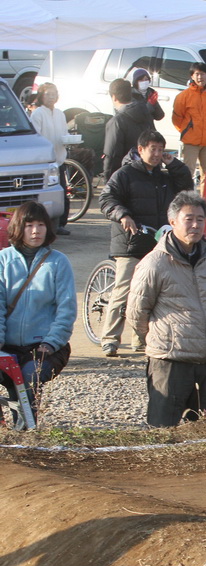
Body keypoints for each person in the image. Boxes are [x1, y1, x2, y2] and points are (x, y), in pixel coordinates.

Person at [127, 191, 206, 427]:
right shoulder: (155, 262)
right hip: (170, 359)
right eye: (188, 219)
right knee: (163, 431)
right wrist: (159, 338)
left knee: (205, 433)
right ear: (172, 222)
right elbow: (137, 311)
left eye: (200, 219)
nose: (195, 225)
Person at [98, 129, 194, 357]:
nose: (158, 154)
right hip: (130, 243)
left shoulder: (164, 176)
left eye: (162, 150)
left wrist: (174, 164)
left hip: (156, 243)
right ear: (140, 150)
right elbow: (106, 199)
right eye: (153, 149)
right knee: (124, 290)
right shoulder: (124, 174)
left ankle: (140, 339)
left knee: (150, 294)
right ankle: (110, 339)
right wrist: (123, 215)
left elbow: (186, 187)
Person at [0, 201, 76, 428]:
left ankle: (25, 435)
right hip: (7, 344)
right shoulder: (3, 261)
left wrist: (51, 342)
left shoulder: (58, 262)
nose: (36, 231)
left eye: (41, 224)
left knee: (29, 379)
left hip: (45, 347)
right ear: (17, 228)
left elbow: (67, 308)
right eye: (29, 225)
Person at [29, 82, 72, 235]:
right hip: (45, 161)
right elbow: (36, 136)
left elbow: (64, 133)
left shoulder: (60, 113)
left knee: (62, 192)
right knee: (47, 193)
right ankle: (47, 224)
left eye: (54, 93)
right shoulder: (38, 113)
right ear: (41, 95)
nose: (51, 96)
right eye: (48, 93)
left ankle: (61, 223)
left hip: (59, 158)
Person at [173, 62, 206, 191]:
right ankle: (187, 200)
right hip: (191, 142)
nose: (200, 77)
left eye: (203, 74)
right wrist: (187, 130)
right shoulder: (183, 96)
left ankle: (204, 204)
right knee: (188, 173)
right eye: (197, 74)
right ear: (192, 76)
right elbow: (177, 118)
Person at [103, 78, 154, 182]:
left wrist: (108, 179)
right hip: (149, 171)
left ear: (114, 97)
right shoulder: (145, 111)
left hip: (125, 176)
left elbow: (112, 154)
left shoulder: (116, 121)